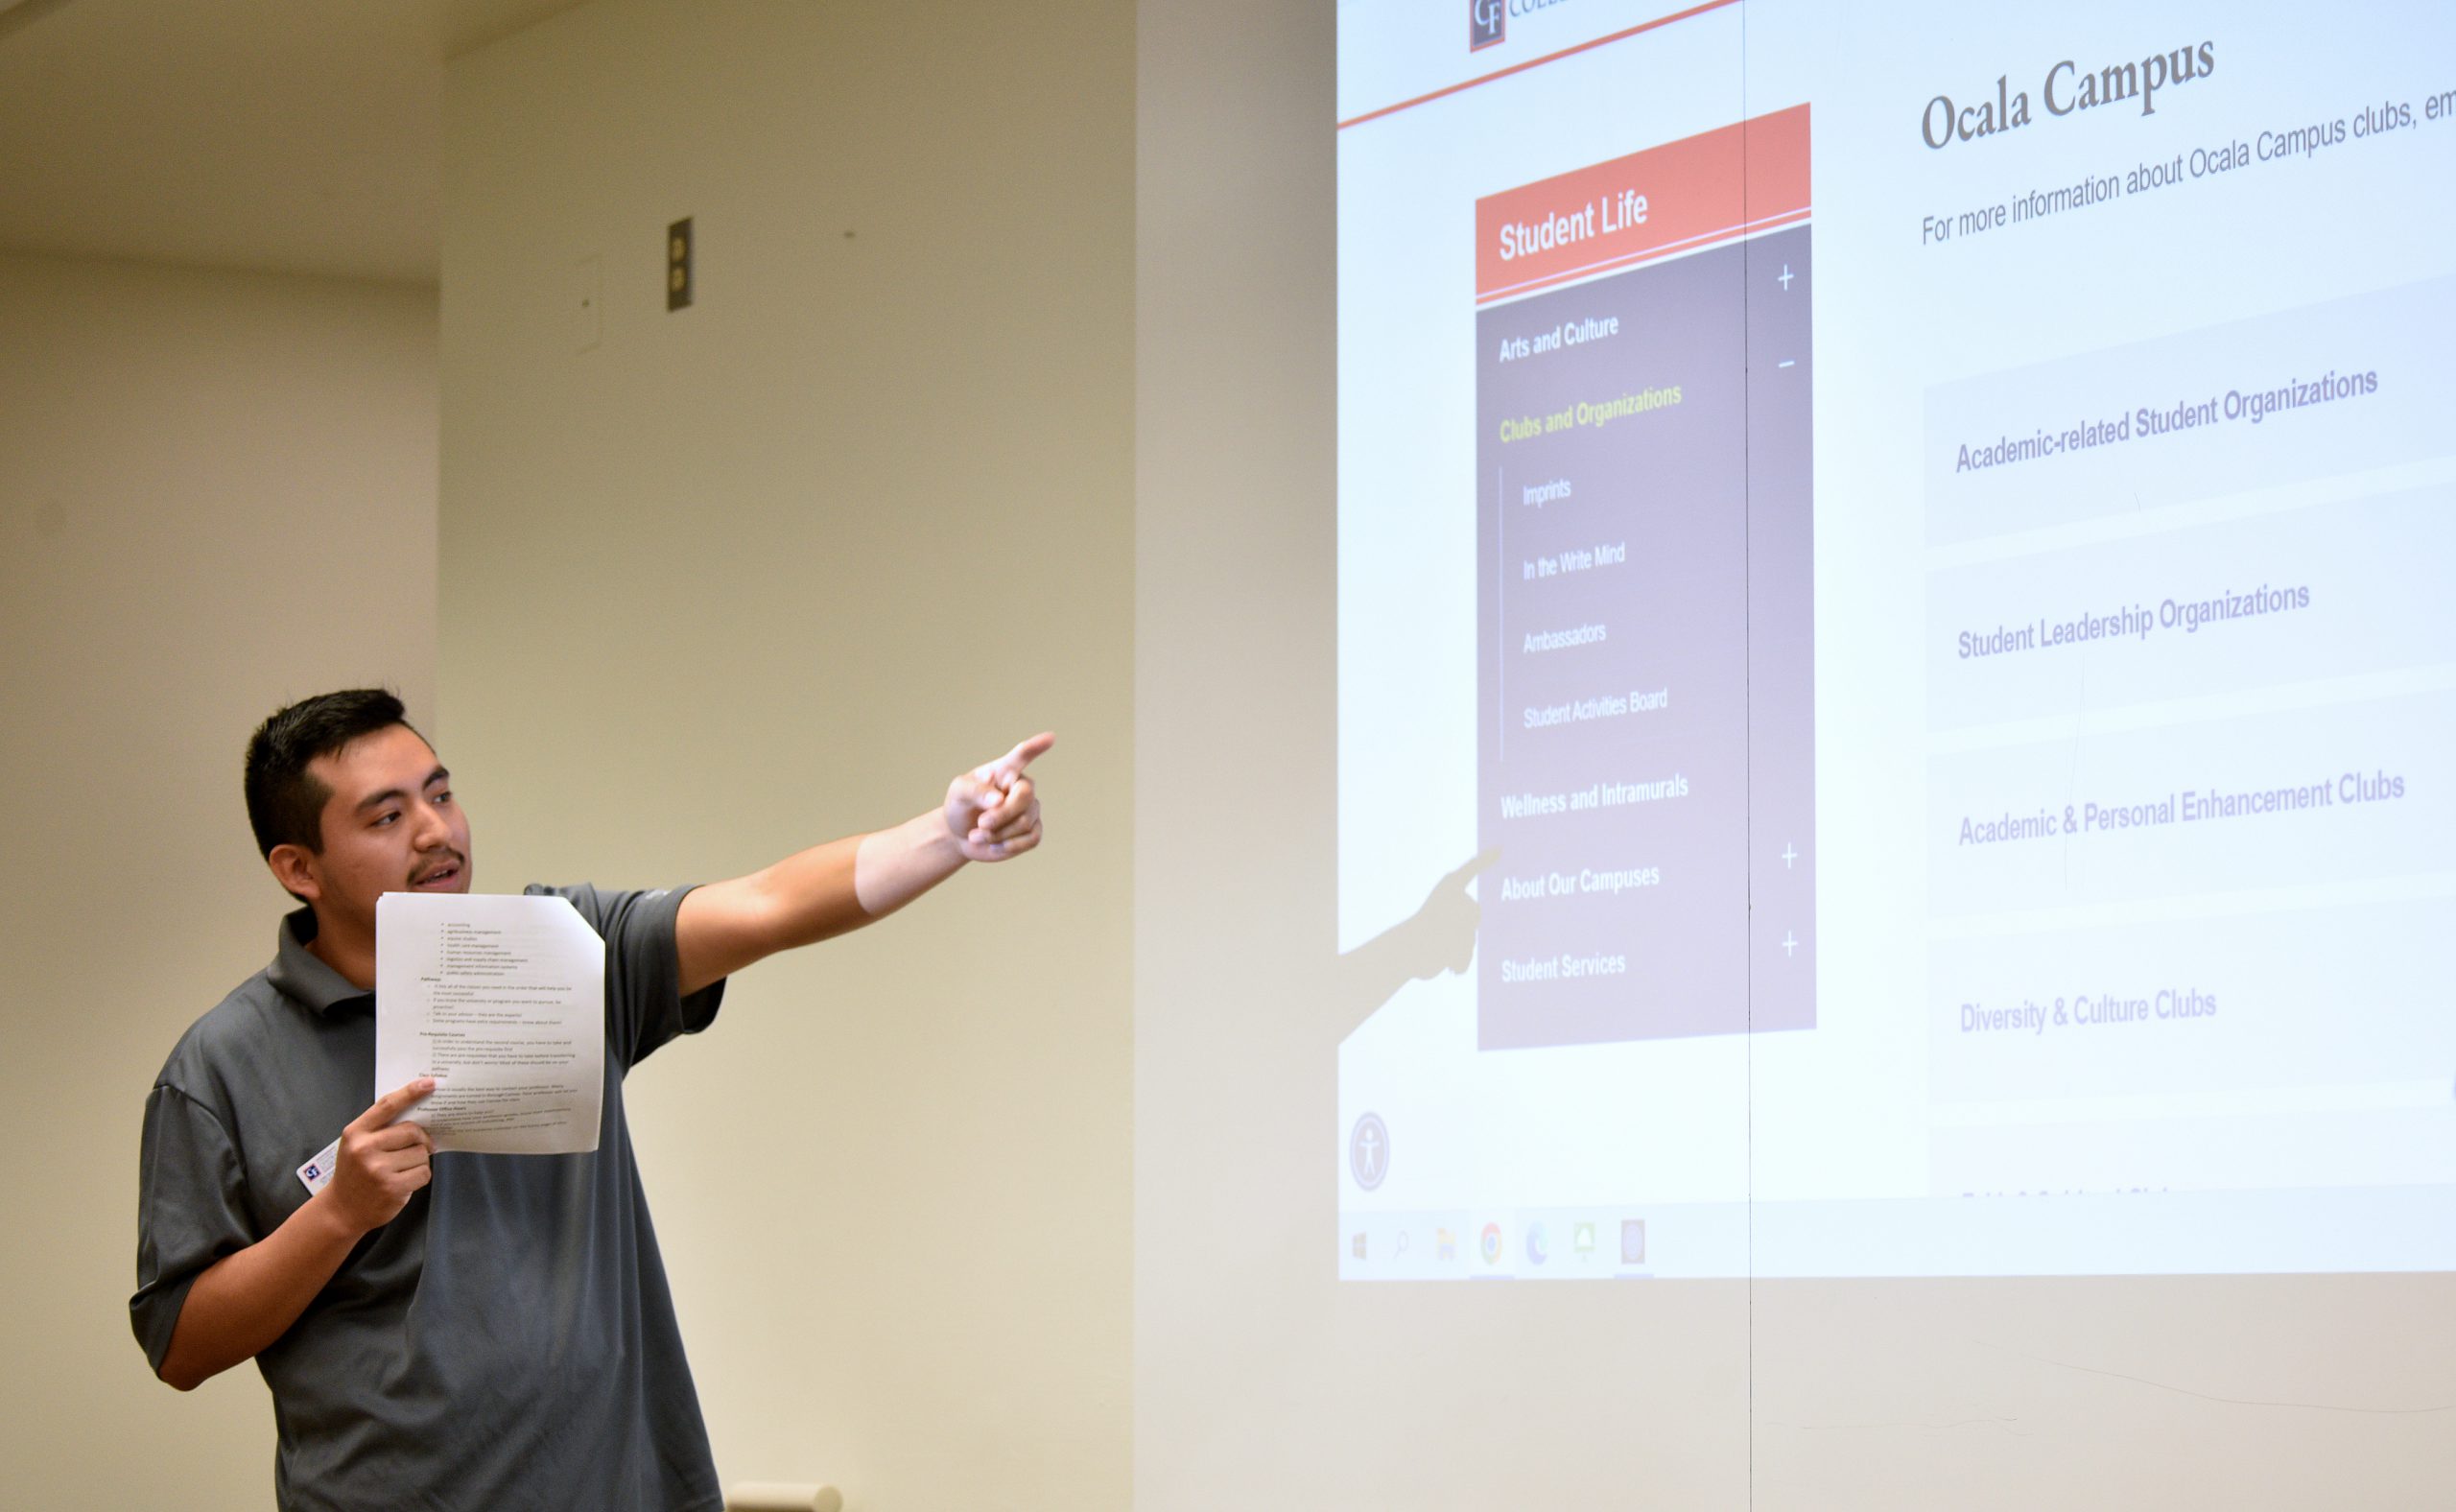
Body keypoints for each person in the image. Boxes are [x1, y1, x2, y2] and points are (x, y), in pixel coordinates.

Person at [131, 688, 1050, 1511]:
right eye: (385, 815)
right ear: (300, 868)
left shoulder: (558, 953)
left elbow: (766, 905)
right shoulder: (220, 1066)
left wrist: (946, 834)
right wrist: (336, 1214)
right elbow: (181, 1344)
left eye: (441, 794)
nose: (436, 832)